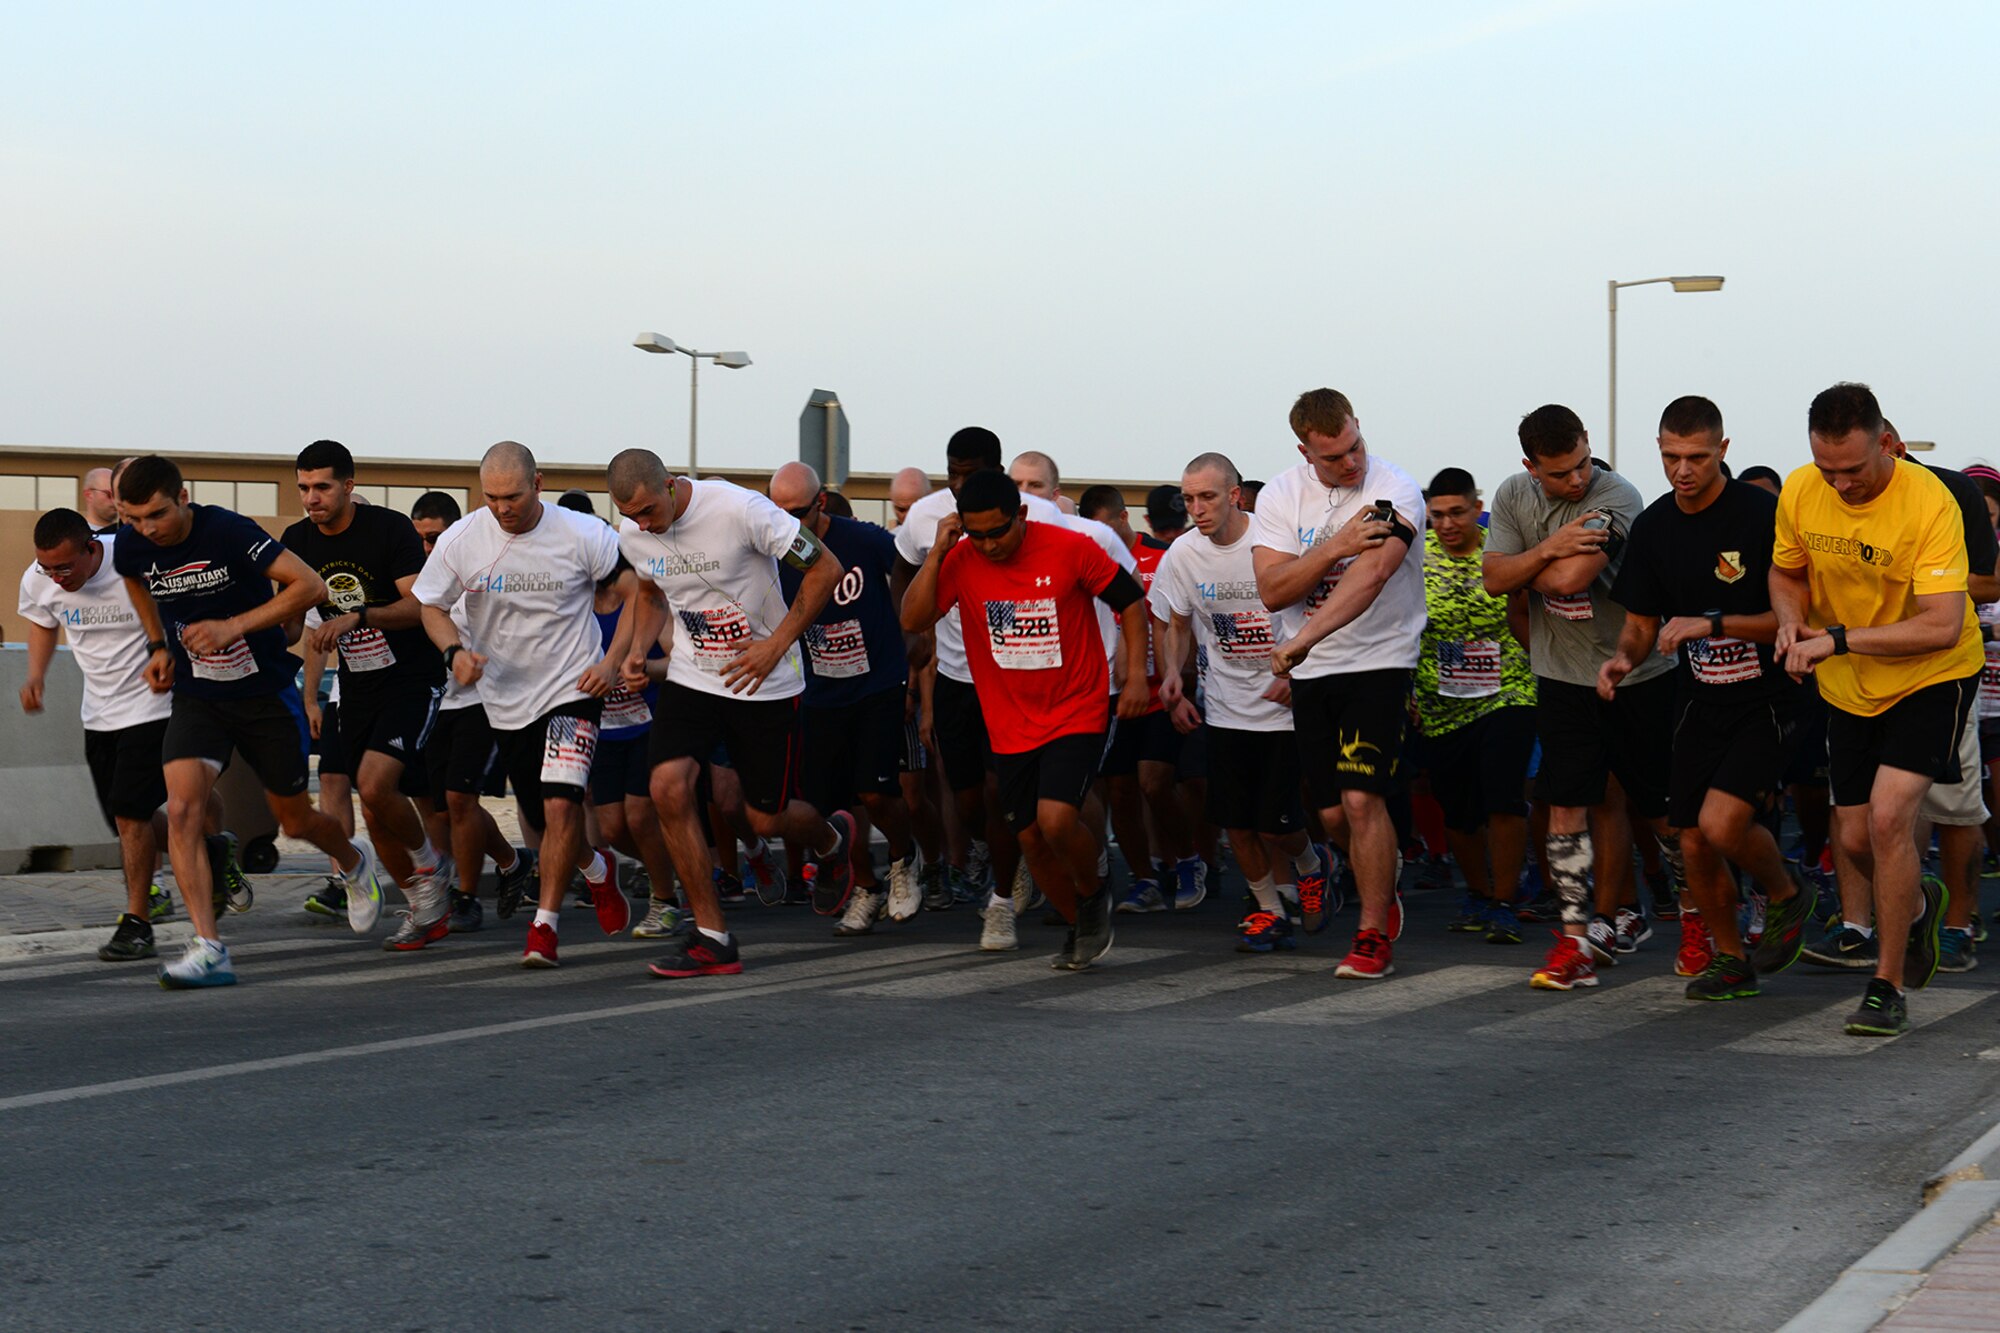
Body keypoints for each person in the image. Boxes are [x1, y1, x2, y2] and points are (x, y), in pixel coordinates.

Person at [114, 455, 386, 987]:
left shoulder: (229, 532)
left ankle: (354, 861)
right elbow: (134, 580)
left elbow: (310, 587)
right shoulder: (133, 542)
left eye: (156, 515)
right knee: (184, 809)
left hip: (263, 695)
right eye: (132, 518)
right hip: (198, 696)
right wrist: (157, 644)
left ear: (183, 497)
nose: (146, 529)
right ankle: (209, 946)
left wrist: (231, 627)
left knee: (295, 821)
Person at [1771, 382, 1984, 1035]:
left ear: (1887, 443)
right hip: (1850, 683)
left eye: (1854, 470)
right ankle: (1918, 905)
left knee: (1891, 820)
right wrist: (1788, 622)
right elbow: (1787, 571)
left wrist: (1833, 638)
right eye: (1827, 469)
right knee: (1858, 838)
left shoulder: (1930, 503)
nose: (1840, 485)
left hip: (1932, 674)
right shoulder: (1802, 489)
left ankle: (1886, 984)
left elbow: (1941, 625)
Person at [606, 447, 855, 978]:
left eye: (649, 510)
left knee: (765, 816)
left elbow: (826, 569)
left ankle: (832, 841)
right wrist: (638, 649)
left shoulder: (740, 510)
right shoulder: (634, 533)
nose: (643, 523)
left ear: (671, 484)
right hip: (694, 677)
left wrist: (775, 644)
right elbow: (650, 592)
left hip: (765, 682)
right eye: (631, 516)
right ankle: (713, 936)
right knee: (668, 788)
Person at [1599, 396, 1811, 999]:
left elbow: (1794, 621)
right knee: (1690, 836)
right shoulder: (1655, 526)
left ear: (1723, 449)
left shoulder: (1761, 515)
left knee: (1721, 825)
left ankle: (1788, 894)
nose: (1682, 470)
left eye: (1695, 457)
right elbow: (1641, 623)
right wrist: (1621, 659)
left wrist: (1711, 623)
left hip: (1769, 695)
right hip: (1699, 699)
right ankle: (1730, 959)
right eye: (1670, 457)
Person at [901, 469, 1150, 969]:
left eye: (998, 531)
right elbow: (912, 619)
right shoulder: (961, 559)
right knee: (1030, 838)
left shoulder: (1069, 547)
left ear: (1020, 514)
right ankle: (1083, 921)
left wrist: (1138, 675)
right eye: (977, 534)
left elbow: (1131, 601)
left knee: (1056, 820)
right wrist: (938, 553)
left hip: (1076, 707)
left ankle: (1094, 889)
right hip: (1009, 720)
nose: (989, 545)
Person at [1480, 405, 1681, 992]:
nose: (1576, 480)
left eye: (1581, 464)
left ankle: (1698, 922)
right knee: (1566, 805)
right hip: (1563, 678)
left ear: (1590, 444)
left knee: (1663, 812)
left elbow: (1567, 581)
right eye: (1561, 472)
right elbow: (1493, 581)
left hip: (1638, 673)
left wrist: (1527, 563)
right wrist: (1551, 547)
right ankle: (1574, 943)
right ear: (1530, 467)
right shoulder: (1515, 495)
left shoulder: (1617, 494)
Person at [413, 442, 632, 969]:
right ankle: (597, 867)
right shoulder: (462, 539)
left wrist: (612, 662)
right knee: (544, 816)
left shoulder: (583, 534)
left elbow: (638, 594)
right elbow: (430, 605)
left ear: (539, 483)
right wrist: (454, 652)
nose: (502, 508)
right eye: (491, 497)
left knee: (561, 807)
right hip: (506, 700)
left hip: (573, 687)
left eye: (512, 496)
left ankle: (544, 929)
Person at [1260, 389, 1426, 981]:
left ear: (1360, 427)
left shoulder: (1395, 488)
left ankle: (1372, 932)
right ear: (1306, 451)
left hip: (1379, 660)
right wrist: (1336, 544)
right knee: (1331, 814)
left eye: (1355, 446)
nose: (1352, 464)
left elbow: (1373, 574)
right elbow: (1274, 590)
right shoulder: (1280, 495)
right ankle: (1368, 869)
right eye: (1334, 458)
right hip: (1313, 675)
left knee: (1362, 801)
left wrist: (1301, 640)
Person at [893, 429, 1074, 951]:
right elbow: (901, 570)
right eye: (951, 473)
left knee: (1001, 796)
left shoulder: (1033, 516)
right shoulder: (929, 516)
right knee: (966, 799)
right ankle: (996, 853)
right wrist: (912, 635)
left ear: (995, 472)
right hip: (954, 677)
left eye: (968, 475)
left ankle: (1001, 895)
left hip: (1014, 679)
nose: (957, 485)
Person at [285, 441, 456, 951]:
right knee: (375, 809)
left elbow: (420, 607)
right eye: (303, 488)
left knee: (377, 785)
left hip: (410, 678)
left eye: (322, 487)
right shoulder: (297, 540)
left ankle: (432, 866)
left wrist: (359, 616)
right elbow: (295, 624)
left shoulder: (387, 529)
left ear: (348, 486)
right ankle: (423, 906)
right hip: (356, 686)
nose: (311, 498)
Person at [1152, 455, 1325, 952]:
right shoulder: (1183, 554)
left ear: (1235, 496)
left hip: (1284, 706)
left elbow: (1318, 610)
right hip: (1226, 705)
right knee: (1236, 820)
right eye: (1188, 499)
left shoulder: (1274, 542)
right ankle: (1270, 911)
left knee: (1278, 823)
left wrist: (1300, 670)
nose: (1196, 508)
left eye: (1207, 497)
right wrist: (1172, 679)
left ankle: (1313, 866)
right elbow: (1179, 623)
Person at [18, 508, 182, 959]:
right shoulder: (38, 579)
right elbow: (43, 621)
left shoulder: (129, 559)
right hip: (100, 712)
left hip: (154, 703)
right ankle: (209, 847)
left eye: (65, 567)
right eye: (47, 568)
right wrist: (37, 675)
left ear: (92, 548)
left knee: (131, 813)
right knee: (125, 815)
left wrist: (164, 652)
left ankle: (138, 921)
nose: (56, 578)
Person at [769, 461, 923, 934]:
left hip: (877, 684)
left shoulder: (862, 539)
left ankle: (903, 858)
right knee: (835, 811)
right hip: (820, 693)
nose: (791, 525)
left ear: (820, 503)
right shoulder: (772, 552)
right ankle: (866, 887)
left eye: (799, 513)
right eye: (780, 514)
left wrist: (909, 629)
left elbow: (909, 569)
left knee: (877, 792)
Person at [1883, 422, 2000, 972]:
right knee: (1871, 817)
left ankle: (1958, 924)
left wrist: (1924, 584)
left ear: (1894, 449)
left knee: (1955, 808)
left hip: (1945, 673)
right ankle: (1887, 919)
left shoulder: (1952, 492)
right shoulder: (1827, 498)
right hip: (1863, 678)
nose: (1849, 482)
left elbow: (1990, 580)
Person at [1412, 468, 1536, 947]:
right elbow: (1398, 623)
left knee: (1502, 793)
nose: (1447, 523)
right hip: (1441, 700)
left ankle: (1506, 903)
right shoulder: (1413, 556)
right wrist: (1408, 693)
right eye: (1437, 514)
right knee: (1458, 809)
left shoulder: (1500, 550)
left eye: (1457, 512)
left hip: (1510, 691)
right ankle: (1480, 895)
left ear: (1475, 505)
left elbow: (1526, 611)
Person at [407, 492, 535, 929]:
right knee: (442, 807)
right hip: (435, 704)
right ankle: (511, 861)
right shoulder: (420, 586)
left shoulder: (484, 571)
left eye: (436, 537)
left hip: (484, 700)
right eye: (421, 539)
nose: (428, 547)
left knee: (461, 799)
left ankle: (465, 896)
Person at [1076, 483, 1200, 912]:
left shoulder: (1162, 558)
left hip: (1161, 691)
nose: (1100, 539)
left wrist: (1180, 677)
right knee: (1121, 790)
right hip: (1110, 695)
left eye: (1105, 528)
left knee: (1155, 781)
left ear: (1122, 519)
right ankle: (1143, 878)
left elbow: (1185, 621)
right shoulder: (1086, 562)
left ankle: (1188, 860)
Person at [80, 467, 120, 535]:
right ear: (89, 495)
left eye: (118, 494)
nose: (115, 500)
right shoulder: (77, 535)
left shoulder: (126, 535)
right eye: (109, 494)